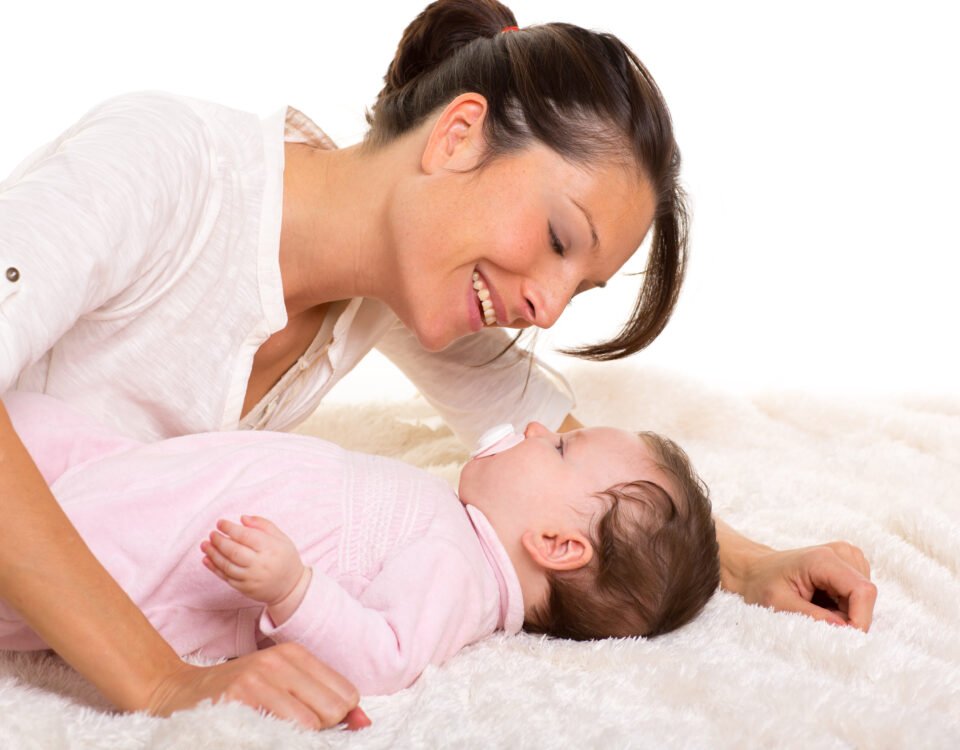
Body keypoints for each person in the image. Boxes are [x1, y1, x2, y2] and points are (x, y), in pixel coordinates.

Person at [0, 0, 876, 731]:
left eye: (582, 285)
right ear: (459, 136)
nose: (549, 306)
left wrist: (750, 566)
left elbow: (580, 477)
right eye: (558, 240)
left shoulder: (402, 292)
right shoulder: (169, 162)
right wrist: (160, 684)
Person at [1, 391, 719, 696]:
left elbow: (386, 658)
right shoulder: (461, 526)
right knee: (41, 428)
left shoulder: (461, 576)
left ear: (557, 544)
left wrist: (294, 590)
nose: (537, 430)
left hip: (182, 542)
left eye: (560, 447)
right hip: (174, 482)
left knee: (72, 537)